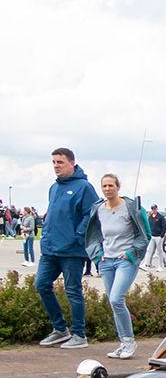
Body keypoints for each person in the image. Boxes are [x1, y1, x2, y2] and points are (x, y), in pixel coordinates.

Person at [35, 147, 99, 349]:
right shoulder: (53, 188)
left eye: (60, 162)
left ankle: (79, 335)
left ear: (72, 163)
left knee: (73, 291)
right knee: (41, 285)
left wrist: (76, 237)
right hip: (50, 249)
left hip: (72, 251)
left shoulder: (84, 187)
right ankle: (60, 329)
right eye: (53, 162)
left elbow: (90, 216)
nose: (56, 166)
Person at [84, 173, 151, 359]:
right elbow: (93, 233)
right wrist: (98, 255)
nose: (107, 189)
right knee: (113, 303)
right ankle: (123, 343)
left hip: (125, 260)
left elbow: (144, 234)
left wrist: (131, 253)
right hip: (106, 261)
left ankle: (129, 341)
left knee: (116, 299)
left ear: (118, 187)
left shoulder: (131, 207)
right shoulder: (98, 209)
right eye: (104, 186)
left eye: (111, 185)